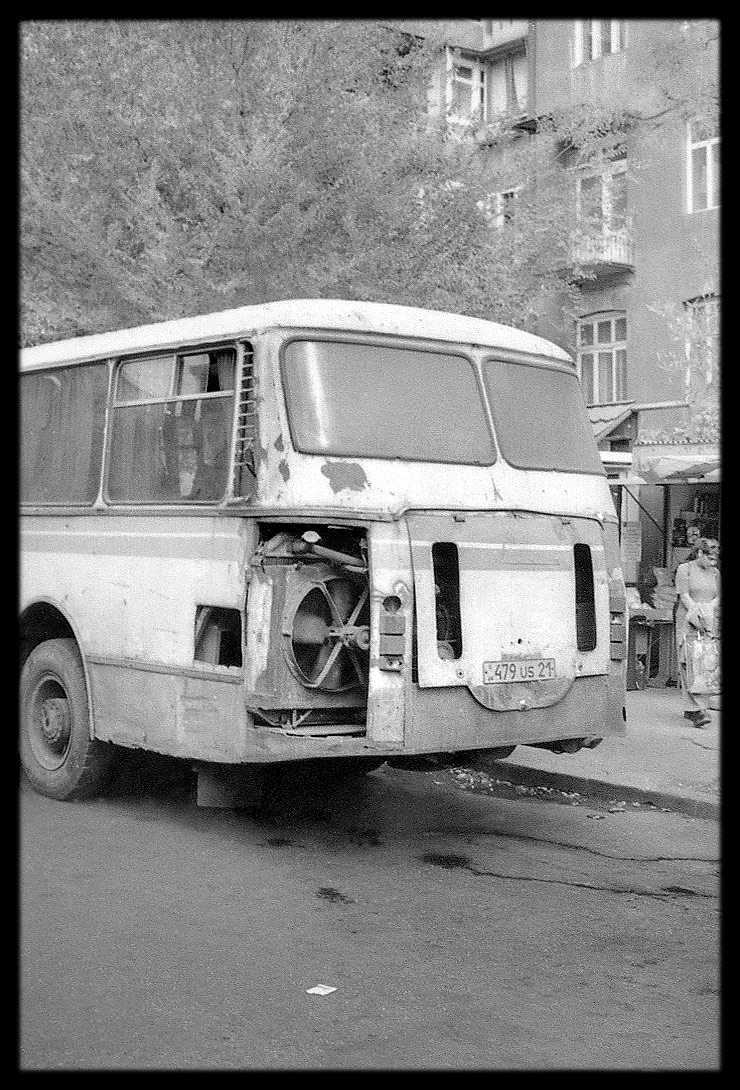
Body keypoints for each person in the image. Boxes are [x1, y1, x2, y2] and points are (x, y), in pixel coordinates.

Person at [674, 538, 720, 727]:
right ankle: (696, 710)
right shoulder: (685, 569)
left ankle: (696, 707)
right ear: (700, 554)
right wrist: (698, 613)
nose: (713, 562)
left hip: (708, 621)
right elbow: (684, 595)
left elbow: (718, 596)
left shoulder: (715, 573)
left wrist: (708, 610)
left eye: (715, 559)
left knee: (705, 663)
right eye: (710, 558)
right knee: (689, 663)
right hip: (688, 620)